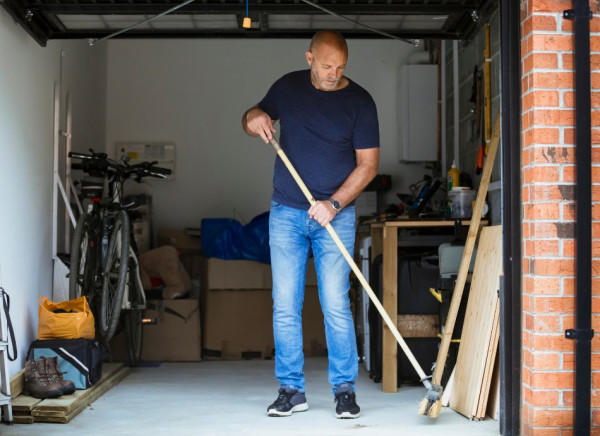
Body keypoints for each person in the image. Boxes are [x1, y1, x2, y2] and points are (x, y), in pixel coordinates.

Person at [241, 29, 379, 419]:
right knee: (285, 304)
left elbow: (368, 165)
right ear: (309, 58)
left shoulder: (360, 102)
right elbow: (252, 115)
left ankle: (344, 389)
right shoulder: (287, 88)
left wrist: (333, 204)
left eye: (340, 67)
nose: (333, 73)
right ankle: (291, 390)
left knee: (335, 302)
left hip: (337, 215)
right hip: (286, 213)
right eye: (326, 65)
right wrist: (253, 117)